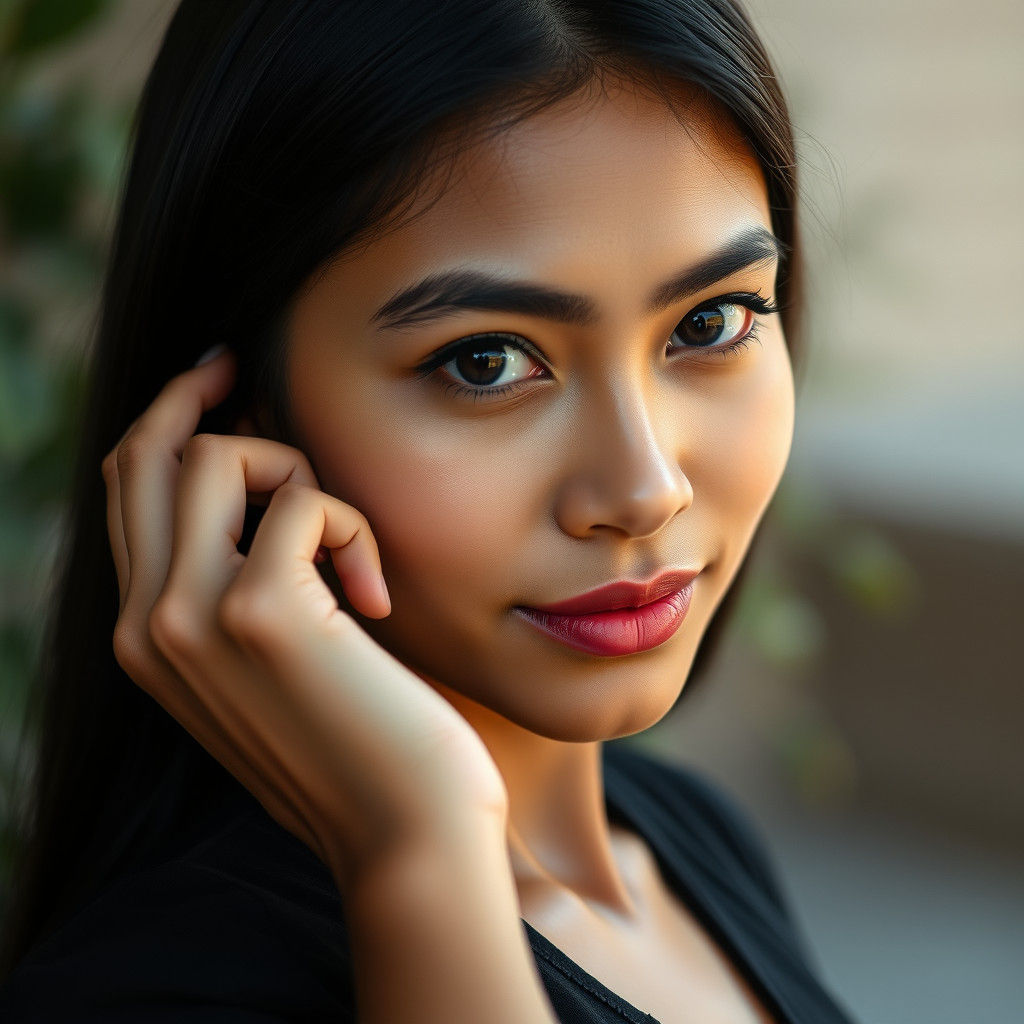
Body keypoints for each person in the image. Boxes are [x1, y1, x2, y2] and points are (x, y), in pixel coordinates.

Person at [0, 1, 859, 1021]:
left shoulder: (687, 834)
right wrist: (418, 858)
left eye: (710, 322)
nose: (642, 488)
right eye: (485, 362)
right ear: (240, 412)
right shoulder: (142, 993)